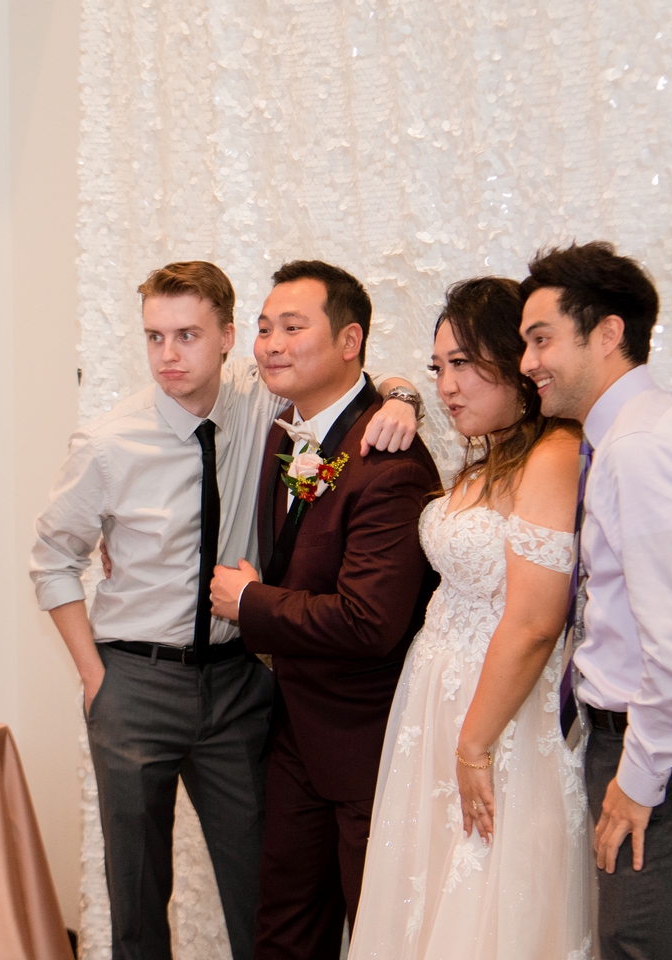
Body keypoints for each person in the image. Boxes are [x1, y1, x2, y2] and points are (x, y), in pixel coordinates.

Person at [29, 260, 423, 960]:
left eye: (187, 335)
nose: (168, 355)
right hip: (135, 680)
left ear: (227, 339)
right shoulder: (107, 443)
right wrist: (95, 679)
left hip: (240, 682)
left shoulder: (260, 399)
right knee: (137, 894)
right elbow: (52, 561)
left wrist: (401, 398)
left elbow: (346, 381)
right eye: (154, 337)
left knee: (263, 887)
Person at [518, 242, 672, 959]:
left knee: (640, 946)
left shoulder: (640, 449)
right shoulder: (640, 432)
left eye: (541, 339)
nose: (528, 362)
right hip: (669, 744)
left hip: (670, 751)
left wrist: (640, 778)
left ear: (608, 333)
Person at [348, 277, 592, 960]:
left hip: (503, 714)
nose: (447, 387)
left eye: (463, 363)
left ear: (516, 361)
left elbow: (537, 623)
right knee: (423, 894)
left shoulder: (553, 455)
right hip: (434, 701)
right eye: (438, 368)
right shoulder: (486, 456)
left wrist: (474, 745)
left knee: (485, 898)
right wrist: (402, 393)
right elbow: (381, 379)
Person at [209, 260, 440, 960]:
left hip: (367, 743)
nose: (271, 345)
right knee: (284, 928)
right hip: (294, 734)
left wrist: (251, 603)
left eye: (292, 327)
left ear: (348, 341)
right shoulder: (285, 430)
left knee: (376, 933)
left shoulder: (388, 457)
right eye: (263, 329)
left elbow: (369, 621)